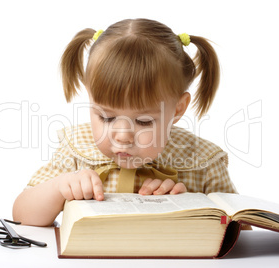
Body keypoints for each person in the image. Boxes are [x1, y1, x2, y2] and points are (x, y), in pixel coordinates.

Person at [13, 18, 238, 227]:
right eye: (106, 117)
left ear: (178, 109)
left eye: (143, 121)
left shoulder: (203, 162)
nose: (122, 135)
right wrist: (58, 188)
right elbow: (22, 216)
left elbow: (241, 230)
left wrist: (189, 205)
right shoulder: (76, 150)